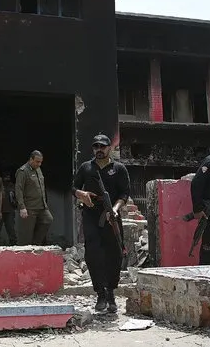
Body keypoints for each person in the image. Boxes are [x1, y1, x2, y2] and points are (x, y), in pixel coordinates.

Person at [72, 134, 130, 313]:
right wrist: (81, 195)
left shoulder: (119, 168)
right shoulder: (86, 167)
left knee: (114, 254)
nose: (99, 149)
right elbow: (73, 188)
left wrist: (114, 208)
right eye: (96, 147)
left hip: (111, 215)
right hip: (90, 215)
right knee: (93, 253)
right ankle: (100, 294)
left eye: (102, 146)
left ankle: (111, 292)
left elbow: (124, 194)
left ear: (109, 148)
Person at [16, 150, 53, 246]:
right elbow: (18, 189)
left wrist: (45, 203)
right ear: (31, 159)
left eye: (41, 162)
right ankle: (24, 255)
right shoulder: (23, 171)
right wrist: (22, 207)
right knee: (26, 235)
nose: (39, 164)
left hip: (41, 206)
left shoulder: (38, 169)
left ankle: (36, 244)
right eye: (37, 161)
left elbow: (41, 187)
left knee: (48, 219)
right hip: (30, 207)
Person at [0, 173, 18, 245]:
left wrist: (15, 203)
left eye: (8, 177)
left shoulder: (12, 186)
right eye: (5, 177)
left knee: (11, 230)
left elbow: (17, 198)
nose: (6, 178)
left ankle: (13, 246)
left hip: (10, 211)